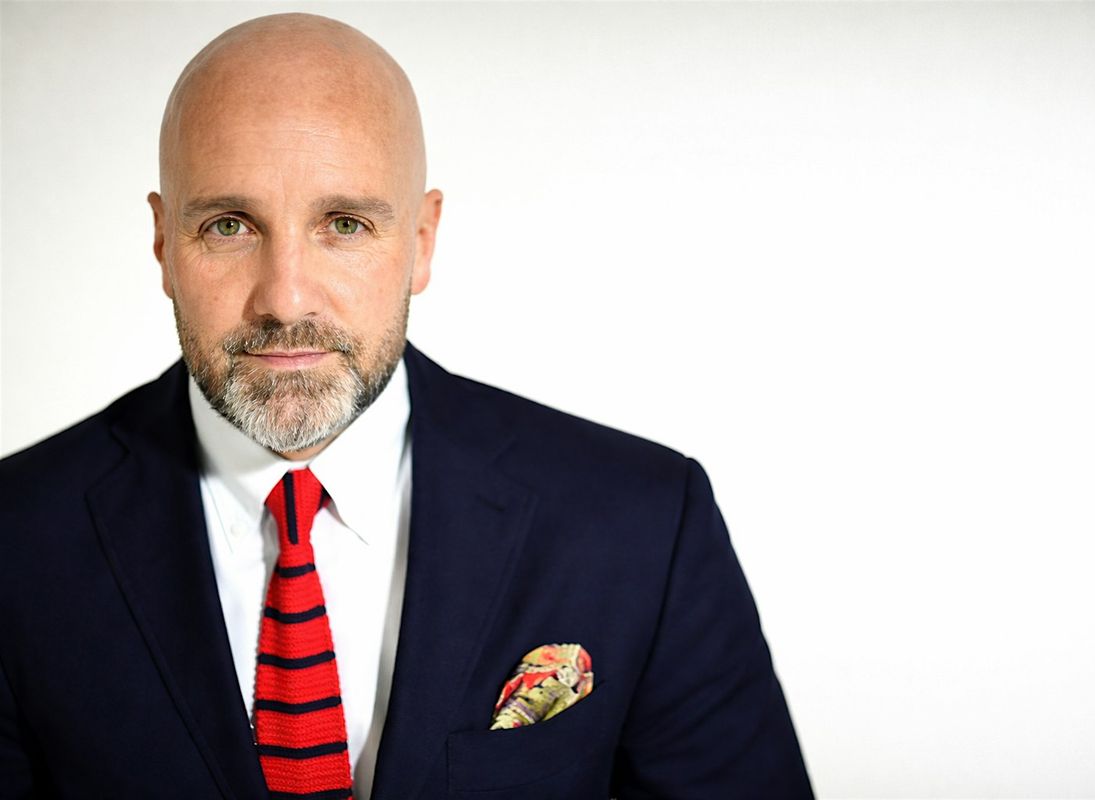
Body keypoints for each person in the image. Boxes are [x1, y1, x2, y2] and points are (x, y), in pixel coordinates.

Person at [0, 13, 813, 799]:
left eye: (344, 224)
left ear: (421, 241)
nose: (285, 298)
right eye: (229, 225)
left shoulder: (640, 526)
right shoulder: (15, 541)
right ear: (163, 244)